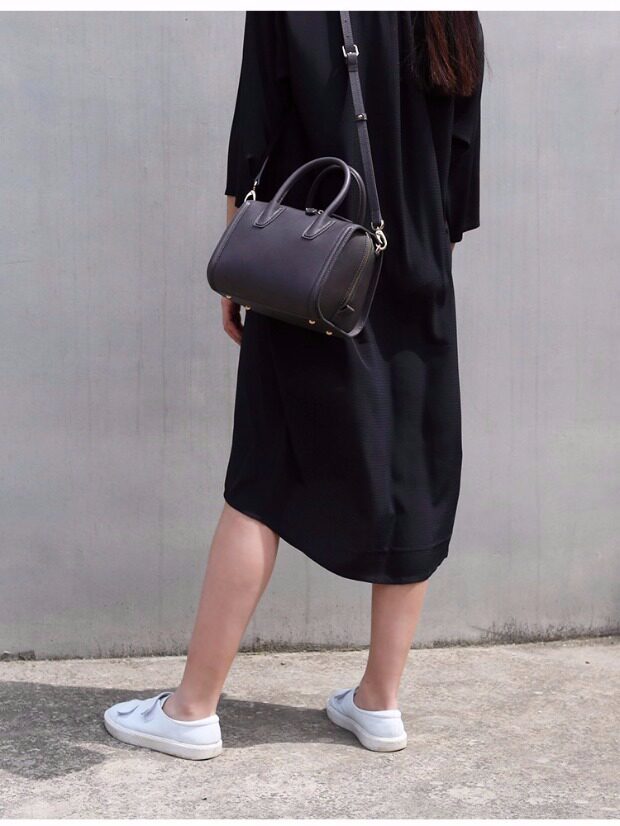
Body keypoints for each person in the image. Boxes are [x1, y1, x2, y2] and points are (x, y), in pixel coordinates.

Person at [104, 10, 484, 759]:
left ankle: (191, 710)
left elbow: (256, 130)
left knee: (264, 477)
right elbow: (460, 162)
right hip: (419, 269)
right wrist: (420, 261)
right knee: (415, 476)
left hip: (315, 267)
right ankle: (379, 703)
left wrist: (240, 264)